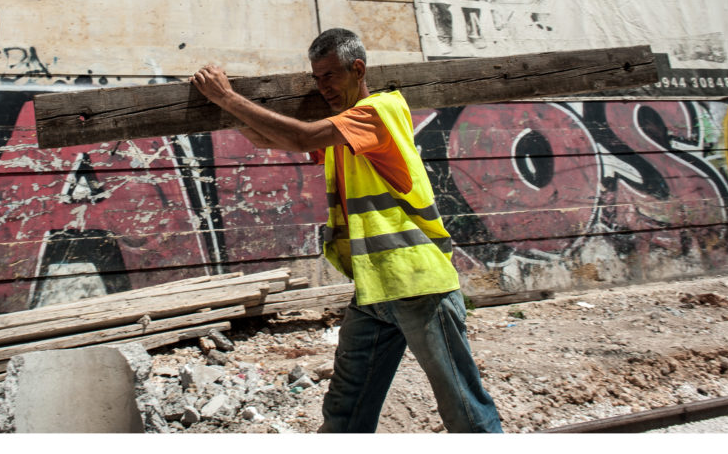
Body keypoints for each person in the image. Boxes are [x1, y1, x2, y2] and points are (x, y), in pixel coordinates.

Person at [189, 28, 502, 433]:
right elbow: (278, 139)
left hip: (418, 286)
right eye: (317, 78)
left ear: (358, 69)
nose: (323, 87)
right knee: (345, 412)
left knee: (464, 408)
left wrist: (227, 98)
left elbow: (301, 136)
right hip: (376, 291)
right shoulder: (343, 131)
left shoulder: (379, 111)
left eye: (330, 76)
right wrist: (224, 111)